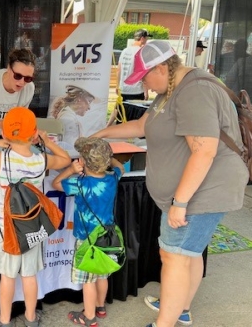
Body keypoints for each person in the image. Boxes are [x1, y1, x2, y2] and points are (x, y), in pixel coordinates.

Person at [90, 40, 248, 327]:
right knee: (189, 252)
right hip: (191, 192)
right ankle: (181, 307)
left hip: (204, 191)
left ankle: (165, 323)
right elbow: (141, 126)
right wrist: (99, 133)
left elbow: (204, 150)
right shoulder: (171, 88)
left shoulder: (195, 91)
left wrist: (180, 203)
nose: (146, 87)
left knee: (173, 255)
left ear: (161, 68)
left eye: (145, 78)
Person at [0, 107, 71, 327]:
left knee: (7, 277)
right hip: (34, 228)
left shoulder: (0, 158)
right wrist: (46, 141)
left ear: (4, 134)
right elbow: (65, 159)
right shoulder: (42, 160)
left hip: (8, 231)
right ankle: (31, 319)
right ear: (34, 134)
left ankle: (4, 320)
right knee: (30, 276)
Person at [51, 137, 124, 327]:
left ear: (82, 162)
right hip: (107, 237)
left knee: (88, 281)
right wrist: (111, 159)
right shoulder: (113, 178)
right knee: (102, 275)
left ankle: (89, 317)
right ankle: (100, 307)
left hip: (87, 241)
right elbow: (120, 168)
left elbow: (56, 183)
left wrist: (71, 170)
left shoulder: (79, 184)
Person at [116, 28, 151, 101]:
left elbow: (119, 70)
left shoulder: (124, 51)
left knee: (123, 111)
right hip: (136, 90)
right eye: (146, 38)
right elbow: (143, 74)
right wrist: (146, 92)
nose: (147, 40)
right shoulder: (141, 52)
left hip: (124, 90)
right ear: (142, 38)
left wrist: (117, 86)